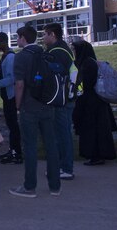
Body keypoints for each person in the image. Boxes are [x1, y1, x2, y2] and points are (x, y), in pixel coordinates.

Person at [9, 25, 61, 198]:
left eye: (17, 37)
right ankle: (55, 186)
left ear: (23, 38)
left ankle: (30, 186)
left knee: (30, 147)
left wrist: (18, 106)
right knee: (51, 146)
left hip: (29, 108)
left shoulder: (21, 57)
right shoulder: (45, 53)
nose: (17, 40)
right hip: (48, 105)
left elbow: (19, 84)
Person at [71, 40, 117, 165]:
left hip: (90, 102)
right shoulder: (91, 62)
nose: (74, 52)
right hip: (97, 101)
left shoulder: (86, 64)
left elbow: (85, 83)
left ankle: (95, 156)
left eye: (75, 50)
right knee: (98, 129)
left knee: (92, 129)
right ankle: (98, 155)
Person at [43, 23, 76, 180]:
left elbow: (53, 75)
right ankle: (61, 166)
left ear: (52, 35)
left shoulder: (56, 52)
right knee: (62, 133)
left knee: (62, 134)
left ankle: (66, 168)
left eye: (45, 34)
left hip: (60, 99)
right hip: (66, 97)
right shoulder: (64, 49)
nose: (43, 38)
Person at [0, 32, 22, 164]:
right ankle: (12, 150)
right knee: (10, 124)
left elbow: (11, 78)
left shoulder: (10, 58)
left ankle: (17, 153)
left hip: (11, 96)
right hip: (6, 96)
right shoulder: (5, 56)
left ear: (3, 41)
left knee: (13, 125)